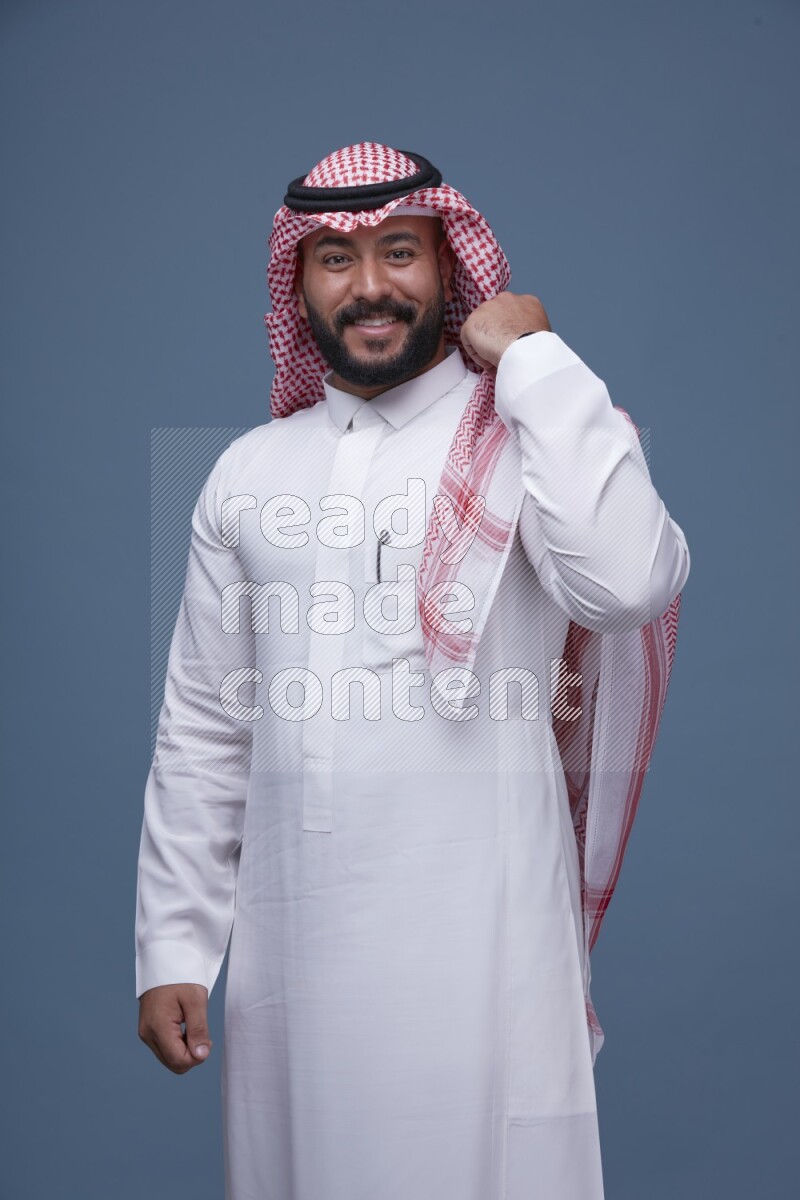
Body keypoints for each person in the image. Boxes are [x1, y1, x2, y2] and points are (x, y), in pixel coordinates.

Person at [135, 142, 690, 1200]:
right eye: (335, 261)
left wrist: (530, 360)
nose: (371, 285)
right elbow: (207, 722)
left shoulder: (528, 433)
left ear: (450, 267)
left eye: (400, 252)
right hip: (290, 947)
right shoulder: (249, 472)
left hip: (484, 939)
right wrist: (172, 943)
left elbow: (626, 583)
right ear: (295, 284)